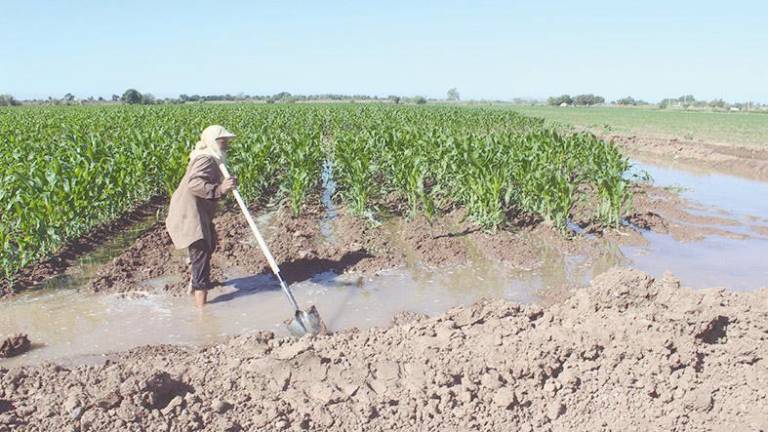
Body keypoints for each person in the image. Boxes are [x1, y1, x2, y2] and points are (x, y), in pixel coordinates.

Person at [166, 125, 238, 307]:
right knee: (201, 253)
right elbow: (195, 184)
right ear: (213, 141)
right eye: (223, 141)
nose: (227, 145)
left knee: (210, 242)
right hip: (189, 213)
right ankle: (201, 311)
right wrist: (221, 188)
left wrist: (224, 184)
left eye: (227, 141)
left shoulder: (212, 157)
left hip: (198, 211)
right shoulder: (206, 159)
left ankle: (194, 285)